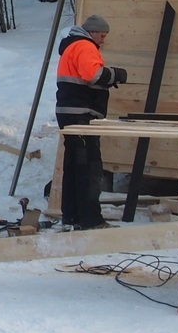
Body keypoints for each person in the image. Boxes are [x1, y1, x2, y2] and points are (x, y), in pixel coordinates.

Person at [53, 15, 127, 230]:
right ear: (92, 32)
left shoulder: (71, 47)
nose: (102, 41)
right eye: (102, 36)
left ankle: (72, 215)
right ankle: (91, 220)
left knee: (74, 166)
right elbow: (93, 75)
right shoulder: (85, 46)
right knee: (89, 168)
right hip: (81, 116)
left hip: (69, 113)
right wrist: (116, 75)